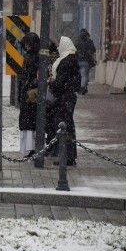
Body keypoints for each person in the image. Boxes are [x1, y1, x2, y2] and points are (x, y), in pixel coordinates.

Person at [49, 36, 81, 166]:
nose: (57, 47)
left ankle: (66, 156)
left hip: (64, 97)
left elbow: (61, 82)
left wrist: (51, 83)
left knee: (63, 125)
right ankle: (69, 155)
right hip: (69, 96)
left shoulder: (66, 62)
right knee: (68, 125)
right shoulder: (72, 60)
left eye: (59, 45)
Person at [18, 32, 40, 157]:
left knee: (30, 121)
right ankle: (29, 147)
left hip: (30, 93)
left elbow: (31, 74)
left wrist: (28, 84)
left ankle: (31, 148)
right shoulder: (30, 56)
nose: (26, 46)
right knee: (28, 121)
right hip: (28, 92)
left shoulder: (34, 57)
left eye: (28, 44)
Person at [75, 28, 96, 95]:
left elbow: (74, 51)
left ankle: (81, 87)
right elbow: (94, 50)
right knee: (85, 74)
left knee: (80, 75)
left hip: (78, 61)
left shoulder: (77, 42)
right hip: (87, 61)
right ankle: (83, 87)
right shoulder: (89, 41)